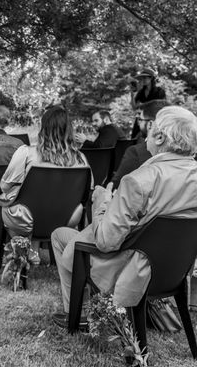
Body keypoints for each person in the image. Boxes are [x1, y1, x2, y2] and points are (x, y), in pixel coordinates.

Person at [51, 106, 197, 327]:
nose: (146, 134)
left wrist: (103, 202)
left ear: (158, 137)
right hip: (174, 271)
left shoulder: (139, 181)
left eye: (151, 129)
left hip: (131, 270)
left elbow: (106, 242)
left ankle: (79, 314)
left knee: (61, 236)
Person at [0, 105, 89, 260]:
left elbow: (4, 186)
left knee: (4, 202)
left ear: (43, 128)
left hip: (28, 220)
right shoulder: (81, 160)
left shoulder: (27, 153)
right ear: (69, 130)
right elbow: (87, 192)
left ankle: (20, 249)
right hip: (66, 219)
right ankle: (34, 251)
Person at [110, 100, 169, 189]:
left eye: (140, 119)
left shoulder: (136, 152)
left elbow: (116, 186)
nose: (138, 122)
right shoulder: (187, 157)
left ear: (150, 124)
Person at [129, 68, 166, 139]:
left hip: (154, 119)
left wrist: (143, 106)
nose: (143, 80)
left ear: (151, 78)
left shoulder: (159, 91)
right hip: (142, 119)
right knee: (134, 138)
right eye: (142, 78)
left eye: (145, 78)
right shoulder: (141, 92)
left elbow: (161, 106)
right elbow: (135, 108)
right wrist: (132, 96)